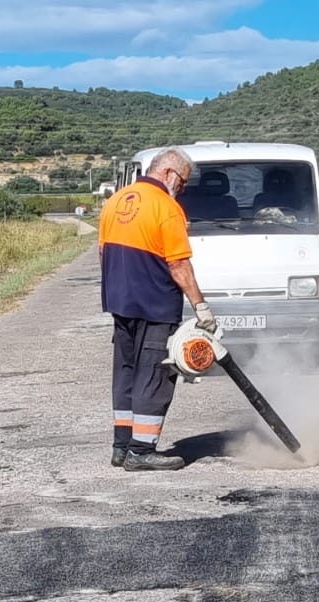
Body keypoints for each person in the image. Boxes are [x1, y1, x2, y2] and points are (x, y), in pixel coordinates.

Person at [98, 148, 217, 472]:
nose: (181, 189)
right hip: (154, 305)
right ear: (168, 174)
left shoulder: (117, 201)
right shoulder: (166, 207)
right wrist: (201, 306)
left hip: (120, 304)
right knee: (154, 376)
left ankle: (121, 447)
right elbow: (178, 264)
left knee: (126, 373)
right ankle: (141, 450)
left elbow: (102, 252)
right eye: (183, 182)